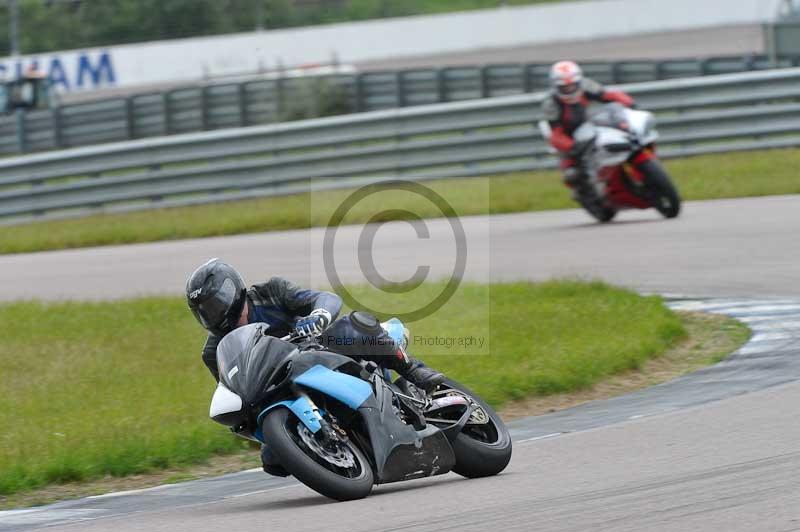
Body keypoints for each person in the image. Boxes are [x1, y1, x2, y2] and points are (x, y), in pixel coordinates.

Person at [185, 258, 445, 475]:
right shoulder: (214, 351)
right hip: (282, 388)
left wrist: (317, 316)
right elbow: (237, 389)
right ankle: (338, 452)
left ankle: (413, 370)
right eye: (205, 311)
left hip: (321, 351)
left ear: (233, 291)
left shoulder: (271, 292)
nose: (214, 313)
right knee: (272, 458)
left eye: (216, 303)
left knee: (352, 326)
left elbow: (324, 298)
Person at [542, 60, 635, 204]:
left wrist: (629, 103)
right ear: (556, 86)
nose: (570, 89)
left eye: (572, 85)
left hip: (590, 125)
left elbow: (608, 96)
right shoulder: (551, 103)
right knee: (571, 174)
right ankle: (582, 192)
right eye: (565, 87)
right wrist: (572, 146)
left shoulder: (586, 85)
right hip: (568, 136)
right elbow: (556, 134)